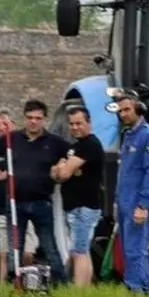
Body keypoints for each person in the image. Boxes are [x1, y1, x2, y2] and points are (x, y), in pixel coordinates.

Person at [0, 99, 70, 284]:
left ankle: (61, 284)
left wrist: (62, 168)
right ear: (24, 118)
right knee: (14, 248)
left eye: (38, 118)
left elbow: (73, 156)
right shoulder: (12, 139)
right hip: (15, 202)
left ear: (44, 119)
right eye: (30, 117)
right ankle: (13, 283)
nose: (33, 121)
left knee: (49, 246)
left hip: (42, 202)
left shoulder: (55, 142)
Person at [113, 91, 149, 295]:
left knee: (135, 249)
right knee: (129, 249)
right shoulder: (129, 135)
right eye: (121, 111)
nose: (123, 114)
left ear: (138, 109)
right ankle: (140, 288)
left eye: (127, 109)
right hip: (124, 201)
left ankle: (137, 289)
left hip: (137, 202)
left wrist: (143, 205)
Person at [51, 106, 104, 287]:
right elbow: (55, 174)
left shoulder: (90, 145)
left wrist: (62, 167)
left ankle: (79, 290)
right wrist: (61, 168)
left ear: (89, 123)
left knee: (78, 251)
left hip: (85, 207)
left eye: (79, 123)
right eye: (72, 124)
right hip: (73, 206)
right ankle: (86, 288)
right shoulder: (75, 147)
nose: (75, 127)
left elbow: (63, 174)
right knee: (82, 250)